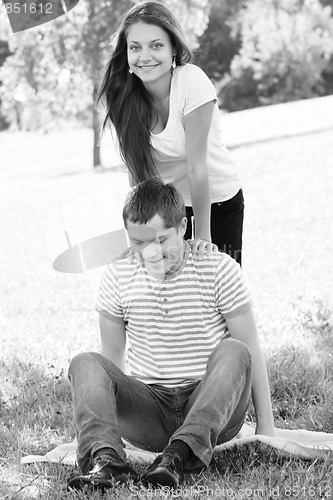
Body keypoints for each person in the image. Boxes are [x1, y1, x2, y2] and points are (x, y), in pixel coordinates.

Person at [67, 178, 275, 492]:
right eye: (138, 242)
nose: (150, 252)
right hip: (150, 411)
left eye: (161, 240)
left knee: (235, 350)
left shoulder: (219, 269)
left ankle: (177, 456)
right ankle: (107, 462)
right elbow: (110, 362)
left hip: (212, 406)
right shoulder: (117, 275)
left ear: (183, 227)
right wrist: (93, 424)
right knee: (85, 363)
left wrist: (266, 426)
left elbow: (250, 353)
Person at [98, 0, 244, 265]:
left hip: (217, 201)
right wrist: (141, 236)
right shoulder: (123, 97)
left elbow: (197, 167)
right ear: (126, 55)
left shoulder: (192, 82)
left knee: (218, 289)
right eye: (135, 47)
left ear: (173, 48)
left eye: (156, 45)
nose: (145, 56)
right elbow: (138, 173)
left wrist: (203, 236)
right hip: (168, 210)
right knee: (172, 293)